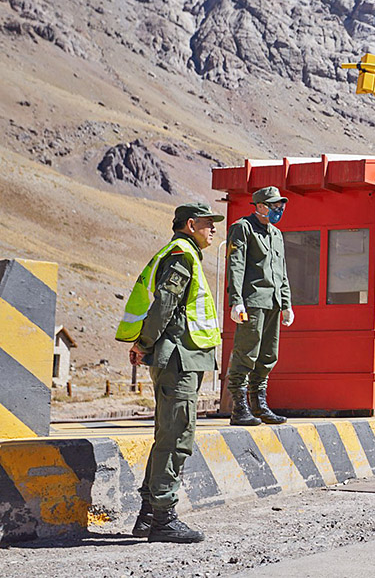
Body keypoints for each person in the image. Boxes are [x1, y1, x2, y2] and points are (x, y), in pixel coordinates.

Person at [115, 202, 224, 543]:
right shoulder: (181, 255)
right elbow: (164, 304)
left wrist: (144, 345)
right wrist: (144, 344)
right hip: (179, 358)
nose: (213, 230)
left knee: (168, 434)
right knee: (177, 436)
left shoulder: (182, 253)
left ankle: (149, 517)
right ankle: (163, 518)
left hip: (181, 357)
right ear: (190, 224)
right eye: (208, 224)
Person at [225, 186, 294, 426]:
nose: (279, 209)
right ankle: (239, 407)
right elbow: (236, 266)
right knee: (247, 353)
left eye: (281, 206)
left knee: (268, 355)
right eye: (275, 206)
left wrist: (286, 303)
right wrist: (236, 301)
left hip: (273, 303)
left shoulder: (276, 234)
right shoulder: (243, 228)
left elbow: (282, 272)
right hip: (252, 302)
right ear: (261, 206)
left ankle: (259, 405)